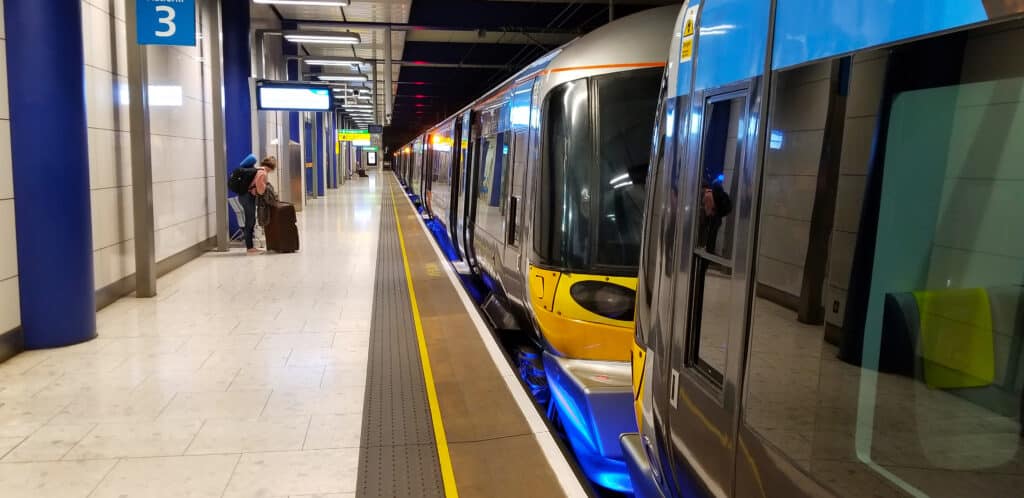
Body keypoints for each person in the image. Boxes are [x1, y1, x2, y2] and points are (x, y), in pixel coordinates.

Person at [238, 155, 277, 254]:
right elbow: (260, 190)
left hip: (244, 196)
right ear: (270, 167)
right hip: (247, 197)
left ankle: (250, 247)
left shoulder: (257, 170)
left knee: (250, 221)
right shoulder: (262, 173)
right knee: (250, 222)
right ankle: (250, 248)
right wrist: (266, 189)